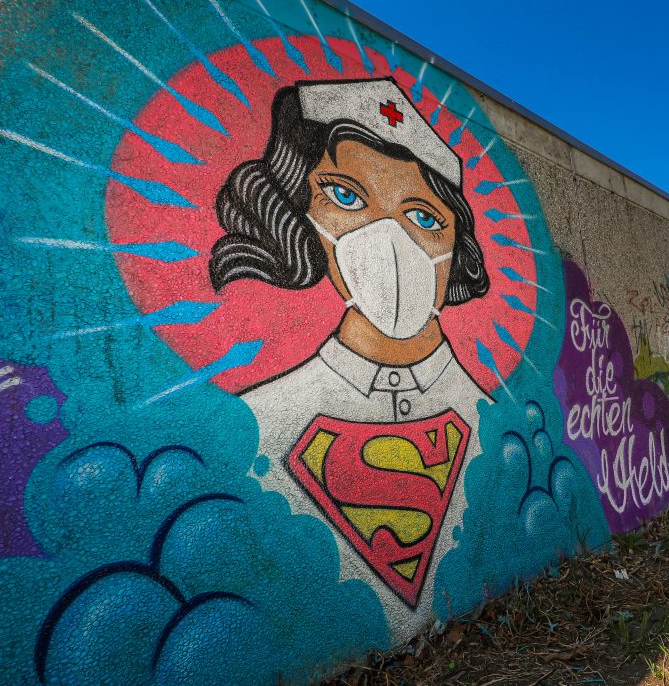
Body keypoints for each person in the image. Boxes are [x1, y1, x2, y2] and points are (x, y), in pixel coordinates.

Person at [209, 77, 491, 612]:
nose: (388, 238)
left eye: (425, 217)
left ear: (457, 246)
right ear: (301, 214)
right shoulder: (256, 424)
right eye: (346, 196)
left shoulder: (491, 420)